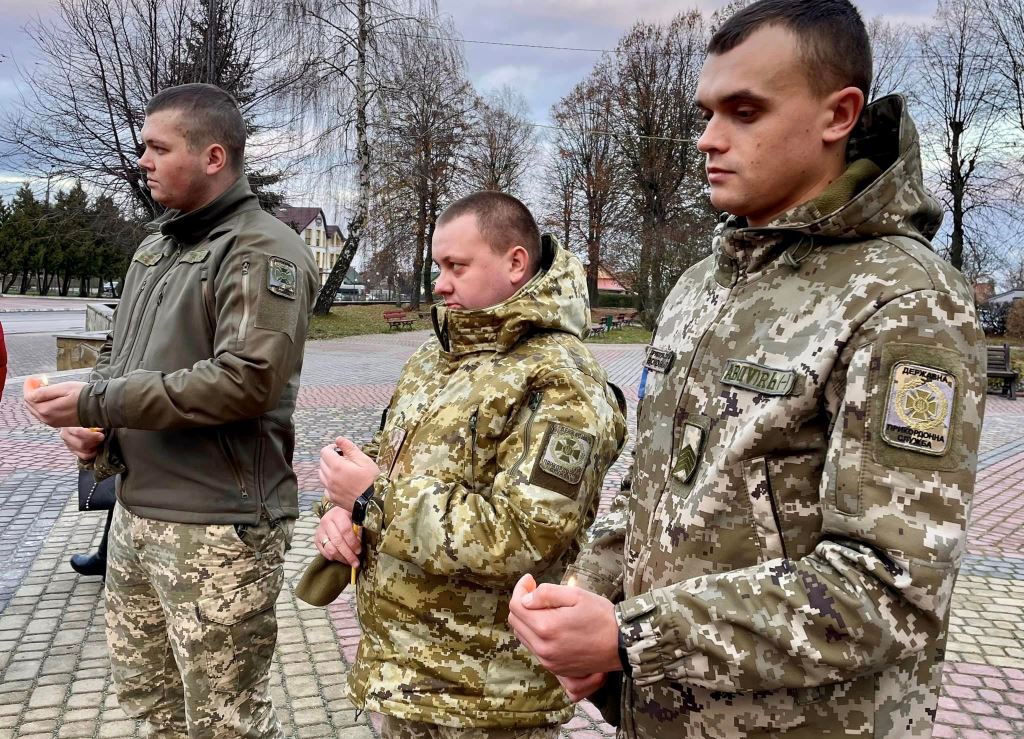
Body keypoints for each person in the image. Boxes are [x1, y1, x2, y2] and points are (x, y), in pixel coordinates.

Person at [508, 2, 986, 737]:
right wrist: (587, 595)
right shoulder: (701, 285)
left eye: (745, 111)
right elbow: (650, 482)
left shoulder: (906, 301)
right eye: (707, 113)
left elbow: (890, 590)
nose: (708, 138)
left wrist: (632, 636)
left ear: (838, 115)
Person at [24, 82, 319, 737]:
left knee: (225, 722)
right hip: (138, 513)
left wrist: (98, 398)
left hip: (218, 525)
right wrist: (98, 429)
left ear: (213, 157)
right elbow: (120, 354)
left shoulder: (261, 249)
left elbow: (246, 381)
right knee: (152, 704)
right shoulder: (156, 249)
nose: (143, 161)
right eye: (143, 148)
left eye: (159, 148)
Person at [314, 191, 627, 738]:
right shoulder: (436, 355)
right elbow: (387, 460)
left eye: (456, 266)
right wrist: (340, 513)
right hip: (404, 675)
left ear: (515, 262)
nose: (439, 284)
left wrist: (372, 500)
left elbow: (526, 535)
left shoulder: (560, 378)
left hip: (486, 697)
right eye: (438, 266)